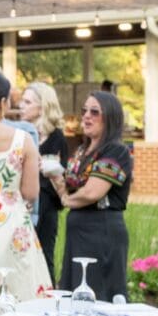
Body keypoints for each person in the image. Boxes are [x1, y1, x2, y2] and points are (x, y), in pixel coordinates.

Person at [0, 72, 51, 310]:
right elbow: (31, 191)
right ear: (3, 102)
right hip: (12, 223)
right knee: (20, 286)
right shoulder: (22, 140)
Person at [46, 91, 133, 302]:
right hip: (79, 233)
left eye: (95, 112)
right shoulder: (82, 151)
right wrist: (54, 173)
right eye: (84, 110)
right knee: (75, 292)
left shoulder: (116, 151)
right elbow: (68, 187)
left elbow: (93, 192)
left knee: (98, 296)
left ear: (110, 117)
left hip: (101, 231)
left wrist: (67, 200)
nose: (86, 116)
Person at [18, 82, 68, 283]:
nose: (21, 105)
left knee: (45, 256)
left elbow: (61, 174)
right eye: (22, 101)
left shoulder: (57, 137)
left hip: (47, 206)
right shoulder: (19, 134)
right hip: (21, 205)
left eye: (27, 102)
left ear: (42, 107)